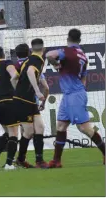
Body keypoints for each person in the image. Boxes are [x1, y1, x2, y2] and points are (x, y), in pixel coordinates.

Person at [45, 28, 105, 168]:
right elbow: (84, 77)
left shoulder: (67, 51)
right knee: (61, 126)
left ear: (68, 38)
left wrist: (56, 64)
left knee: (84, 128)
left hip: (74, 94)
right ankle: (56, 161)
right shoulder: (83, 55)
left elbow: (48, 55)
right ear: (79, 40)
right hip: (71, 94)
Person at [13, 38, 49, 168]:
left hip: (27, 100)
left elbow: (14, 78)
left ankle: (39, 161)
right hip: (23, 100)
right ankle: (21, 159)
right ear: (43, 49)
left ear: (31, 49)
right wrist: (38, 92)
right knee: (28, 131)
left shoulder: (28, 61)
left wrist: (17, 89)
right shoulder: (37, 60)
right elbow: (29, 72)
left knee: (40, 127)